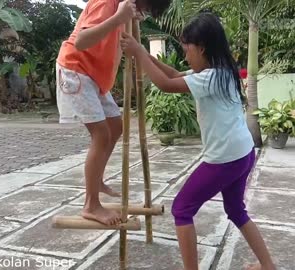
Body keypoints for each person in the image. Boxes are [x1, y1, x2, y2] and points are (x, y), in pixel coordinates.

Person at [120, 12, 276, 270]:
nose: (185, 56)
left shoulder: (209, 78)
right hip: (243, 153)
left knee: (182, 208)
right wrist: (144, 54)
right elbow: (171, 73)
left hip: (224, 159)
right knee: (236, 211)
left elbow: (166, 85)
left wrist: (137, 53)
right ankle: (268, 266)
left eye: (187, 49)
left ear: (201, 48)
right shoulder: (222, 72)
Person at [55, 0, 171, 226]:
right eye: (146, 8)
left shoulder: (126, 9)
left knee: (116, 127)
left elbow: (131, 47)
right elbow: (81, 41)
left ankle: (96, 181)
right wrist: (118, 18)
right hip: (76, 70)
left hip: (95, 77)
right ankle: (91, 205)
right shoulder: (108, 3)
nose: (144, 13)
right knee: (101, 134)